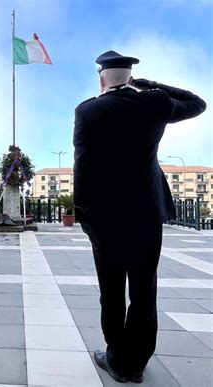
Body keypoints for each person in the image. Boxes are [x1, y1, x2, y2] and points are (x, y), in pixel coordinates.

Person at [73, 50, 207, 383]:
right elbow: (197, 103)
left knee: (112, 289)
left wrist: (84, 216)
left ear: (102, 78)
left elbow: (83, 166)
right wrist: (151, 86)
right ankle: (136, 363)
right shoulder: (154, 103)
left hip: (106, 217)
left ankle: (116, 357)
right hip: (147, 213)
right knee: (145, 290)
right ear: (130, 76)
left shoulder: (88, 110)